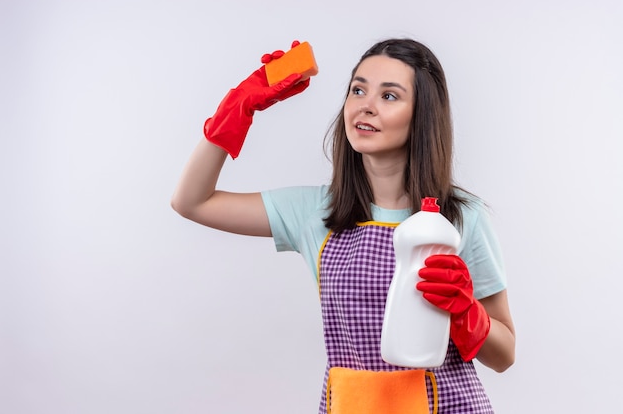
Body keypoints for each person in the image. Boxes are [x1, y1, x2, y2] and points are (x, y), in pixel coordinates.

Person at [171, 38, 515, 414]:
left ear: (422, 115)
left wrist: (467, 314)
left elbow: (504, 356)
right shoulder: (315, 212)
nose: (365, 105)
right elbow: (191, 202)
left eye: (389, 96)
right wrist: (234, 112)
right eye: (358, 89)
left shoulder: (460, 217)